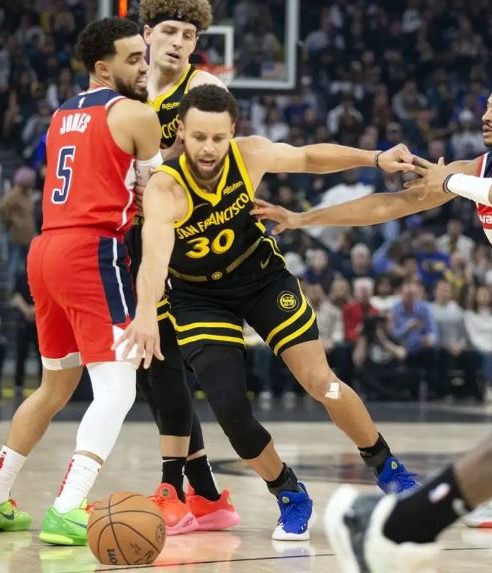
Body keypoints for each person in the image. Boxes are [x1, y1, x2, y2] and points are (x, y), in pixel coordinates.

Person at [144, 84, 419, 541]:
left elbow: (310, 157)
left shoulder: (249, 154)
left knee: (321, 382)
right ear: (183, 136)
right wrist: (142, 313)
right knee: (230, 411)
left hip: (260, 279)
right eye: (198, 138)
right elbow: (154, 259)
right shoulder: (165, 187)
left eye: (217, 137)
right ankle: (289, 492)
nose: (208, 148)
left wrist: (375, 157)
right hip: (199, 298)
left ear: (232, 132)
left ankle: (387, 466)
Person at [252, 91, 492, 561]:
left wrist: (455, 182)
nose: (485, 115)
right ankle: (414, 521)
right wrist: (304, 219)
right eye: (485, 105)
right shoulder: (474, 168)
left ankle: (407, 525)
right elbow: (389, 206)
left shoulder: (467, 178)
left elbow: (471, 190)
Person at [0, 18, 166, 545]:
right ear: (103, 67)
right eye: (133, 59)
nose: (145, 67)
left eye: (145, 57)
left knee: (55, 387)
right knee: (118, 387)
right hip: (90, 252)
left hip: (46, 252)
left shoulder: (61, 113)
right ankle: (68, 507)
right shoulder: (138, 115)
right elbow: (153, 197)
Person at [127, 0, 239, 534]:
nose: (177, 40)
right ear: (147, 34)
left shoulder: (202, 93)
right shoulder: (127, 87)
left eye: (188, 34)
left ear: (196, 44)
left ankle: (173, 487)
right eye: (169, 30)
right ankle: (210, 494)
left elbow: (209, 161)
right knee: (147, 368)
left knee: (163, 360)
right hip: (124, 235)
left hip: (179, 238)